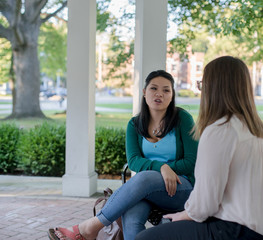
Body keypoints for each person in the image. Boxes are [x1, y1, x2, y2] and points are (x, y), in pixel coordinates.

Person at [135, 56, 263, 240]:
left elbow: (205, 204)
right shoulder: (259, 131)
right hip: (260, 231)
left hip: (233, 231)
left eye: (203, 84)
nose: (201, 91)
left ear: (214, 88)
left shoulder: (221, 130)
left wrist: (183, 215)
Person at [48, 70, 198, 240]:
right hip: (147, 190)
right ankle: (89, 229)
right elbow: (133, 161)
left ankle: (89, 228)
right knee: (131, 218)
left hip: (180, 188)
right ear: (144, 92)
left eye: (166, 90)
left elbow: (191, 162)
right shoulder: (134, 124)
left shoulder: (183, 119)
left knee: (143, 178)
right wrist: (161, 167)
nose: (159, 94)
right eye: (153, 88)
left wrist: (164, 170)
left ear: (172, 96)